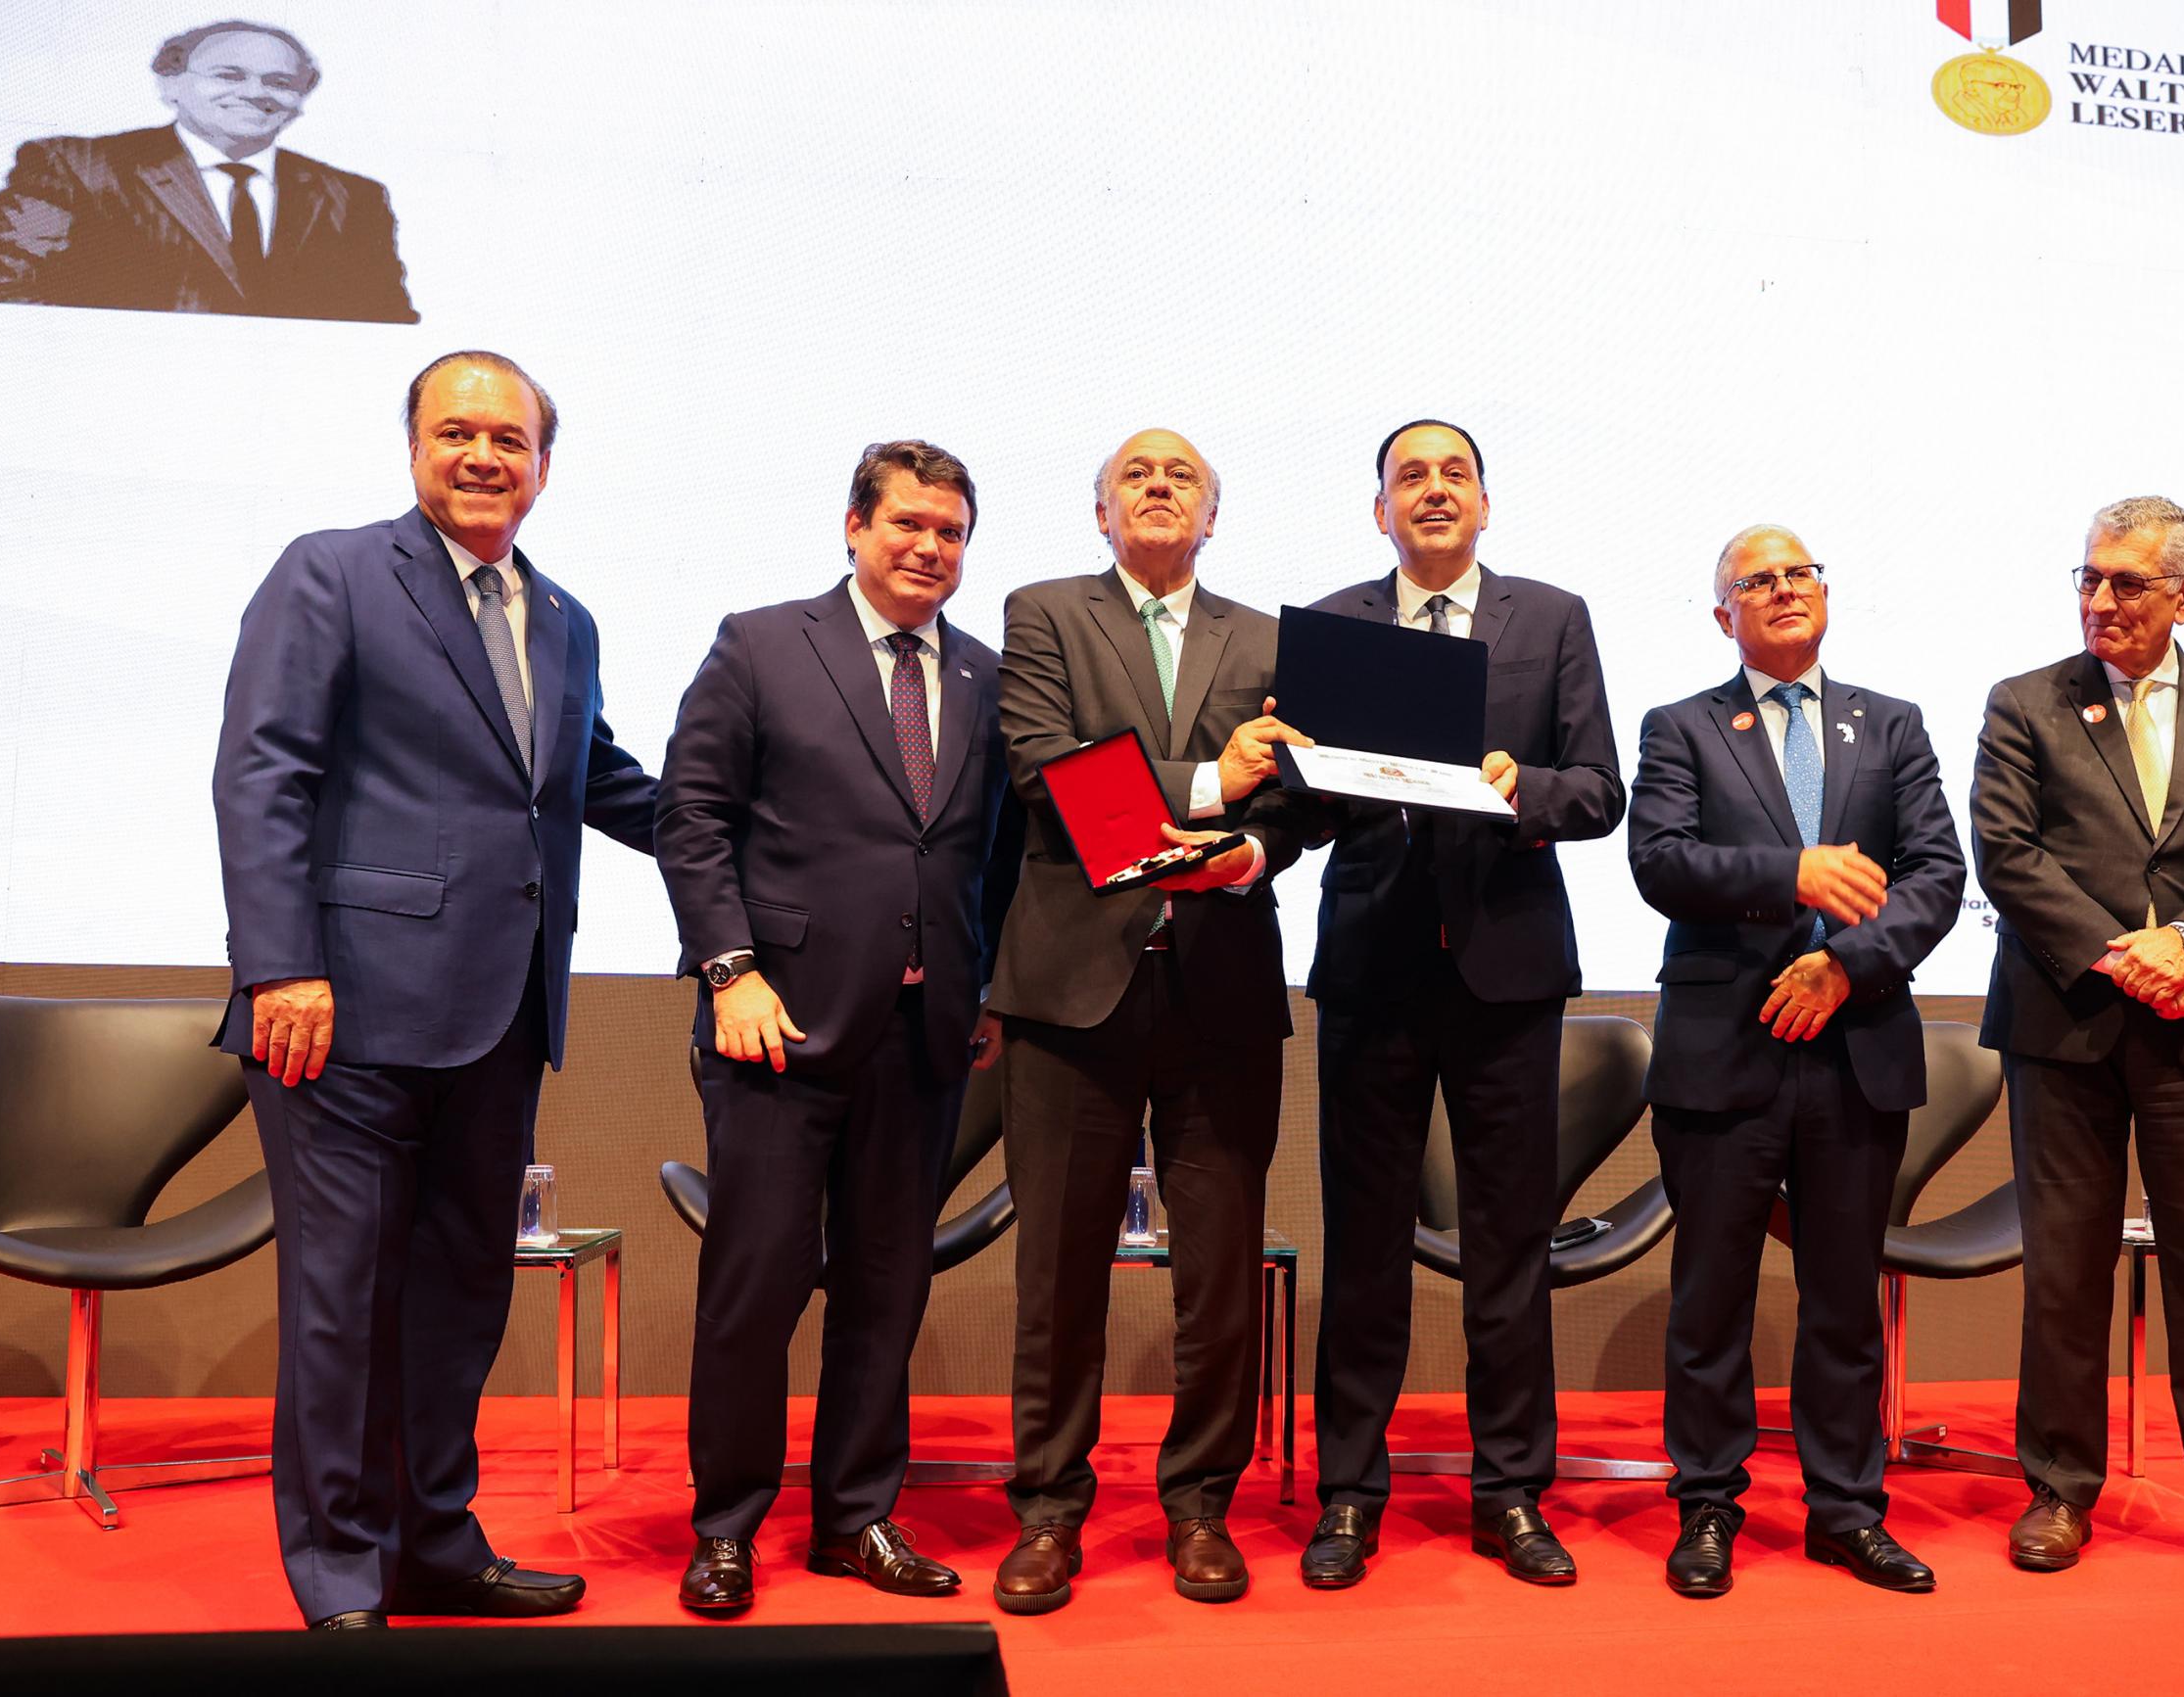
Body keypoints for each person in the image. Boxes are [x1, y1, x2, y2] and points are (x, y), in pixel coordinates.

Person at [212, 351, 655, 1627]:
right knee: (344, 1305)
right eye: (457, 431)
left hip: (501, 1013)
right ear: (414, 446)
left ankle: (434, 1547)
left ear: (543, 466)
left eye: (509, 440)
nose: (482, 456)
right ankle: (341, 1569)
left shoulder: (564, 617)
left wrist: (760, 824)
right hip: (341, 1011)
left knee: (461, 1297)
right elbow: (264, 773)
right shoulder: (332, 572)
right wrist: (281, 962)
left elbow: (595, 779)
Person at [654, 441, 1021, 1614]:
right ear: (854, 526)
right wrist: (729, 969)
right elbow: (690, 814)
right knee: (755, 1287)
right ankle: (726, 1527)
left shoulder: (986, 675)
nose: (928, 546)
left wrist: (987, 983)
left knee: (885, 1287)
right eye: (907, 522)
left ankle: (855, 1516)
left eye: (950, 531)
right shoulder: (762, 642)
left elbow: (999, 849)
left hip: (926, 1032)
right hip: (776, 1023)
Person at [986, 428, 1318, 1614]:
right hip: (1070, 988)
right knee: (1057, 1270)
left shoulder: (1270, 639)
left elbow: (1302, 799)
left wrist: (1250, 851)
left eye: (1183, 476)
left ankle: (1200, 1505)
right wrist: (1214, 784)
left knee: (1218, 1272)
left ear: (1212, 516)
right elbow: (1048, 771)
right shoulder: (1042, 614)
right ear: (1100, 511)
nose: (1160, 486)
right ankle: (1047, 1510)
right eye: (1136, 473)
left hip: (1221, 987)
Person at [1297, 420, 1622, 1589]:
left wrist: (1518, 786)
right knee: (1363, 1247)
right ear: (1377, 508)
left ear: (1485, 500)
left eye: (1453, 473)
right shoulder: (1332, 623)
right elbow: (1303, 808)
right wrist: (1297, 768)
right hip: (1370, 967)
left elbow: (1598, 790)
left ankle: (1510, 1492)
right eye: (1408, 476)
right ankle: (1348, 1493)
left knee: (1507, 1248)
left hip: (1506, 971)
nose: (1432, 490)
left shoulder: (1551, 617)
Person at [1971, 495, 2184, 1584]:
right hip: (2063, 1021)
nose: (2100, 600)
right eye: (2088, 577)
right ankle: (2058, 1490)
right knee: (2063, 1269)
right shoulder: (2025, 701)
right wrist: (2123, 955)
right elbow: (2006, 851)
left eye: (2126, 582)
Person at [1626, 525, 1965, 1597]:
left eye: (1798, 573)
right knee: (1709, 1297)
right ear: (1721, 614)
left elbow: (1937, 873)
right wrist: (1794, 875)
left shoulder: (1891, 723)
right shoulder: (1680, 725)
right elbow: (1660, 860)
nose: (1782, 589)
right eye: (1756, 580)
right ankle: (1708, 1503)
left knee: (1842, 1300)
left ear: (1824, 592)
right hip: (1722, 1051)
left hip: (1855, 1046)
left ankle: (1847, 1510)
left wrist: (1845, 966)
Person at [0, 18, 417, 321]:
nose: (256, 92)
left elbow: (384, 320)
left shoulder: (354, 197)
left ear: (299, 101)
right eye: (229, 75)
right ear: (171, 85)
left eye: (280, 82)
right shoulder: (73, 166)